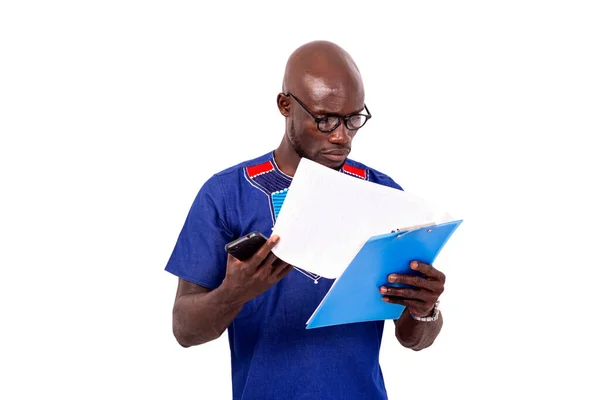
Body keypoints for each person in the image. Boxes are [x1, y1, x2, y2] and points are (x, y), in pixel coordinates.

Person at [165, 40, 446, 400]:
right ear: (285, 106)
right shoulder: (226, 196)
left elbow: (413, 339)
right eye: (325, 119)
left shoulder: (383, 196)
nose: (342, 135)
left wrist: (425, 310)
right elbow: (184, 331)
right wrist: (233, 294)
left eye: (353, 118)